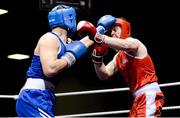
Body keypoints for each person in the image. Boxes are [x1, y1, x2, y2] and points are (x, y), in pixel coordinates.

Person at [77, 15, 165, 117]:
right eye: (111, 31)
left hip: (148, 94)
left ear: (124, 30)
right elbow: (104, 74)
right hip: (138, 98)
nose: (112, 33)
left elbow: (126, 45)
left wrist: (99, 36)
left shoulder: (134, 42)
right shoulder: (118, 57)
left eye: (115, 29)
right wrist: (97, 59)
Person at [15, 5, 94, 117]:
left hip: (42, 96)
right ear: (70, 18)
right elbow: (50, 69)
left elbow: (80, 46)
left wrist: (101, 31)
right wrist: (70, 57)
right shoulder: (50, 39)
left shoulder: (64, 42)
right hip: (34, 97)